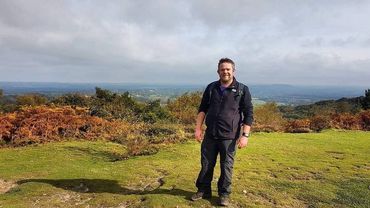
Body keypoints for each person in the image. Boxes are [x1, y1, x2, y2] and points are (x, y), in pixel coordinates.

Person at [191, 58, 253, 206]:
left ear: (233, 71)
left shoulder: (242, 89)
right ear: (218, 71)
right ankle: (203, 190)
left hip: (229, 137)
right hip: (210, 135)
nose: (225, 71)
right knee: (206, 164)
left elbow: (248, 114)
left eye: (228, 69)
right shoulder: (211, 88)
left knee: (226, 166)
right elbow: (202, 109)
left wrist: (245, 136)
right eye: (222, 69)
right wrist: (198, 128)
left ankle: (224, 194)